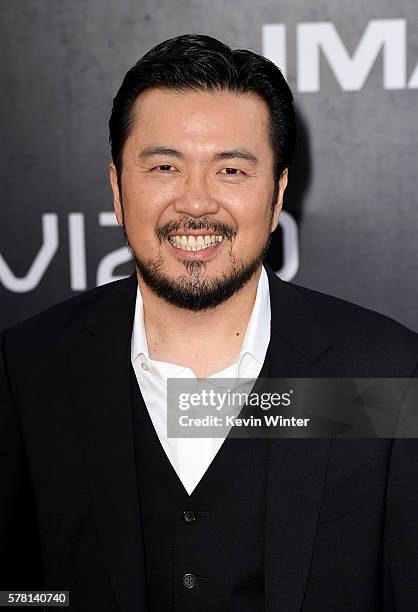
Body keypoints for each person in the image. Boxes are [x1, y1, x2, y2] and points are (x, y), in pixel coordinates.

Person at [0, 34, 417, 612]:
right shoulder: (28, 370)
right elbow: (20, 593)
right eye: (165, 166)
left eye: (231, 171)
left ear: (277, 195)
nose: (195, 203)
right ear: (118, 190)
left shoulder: (385, 373)